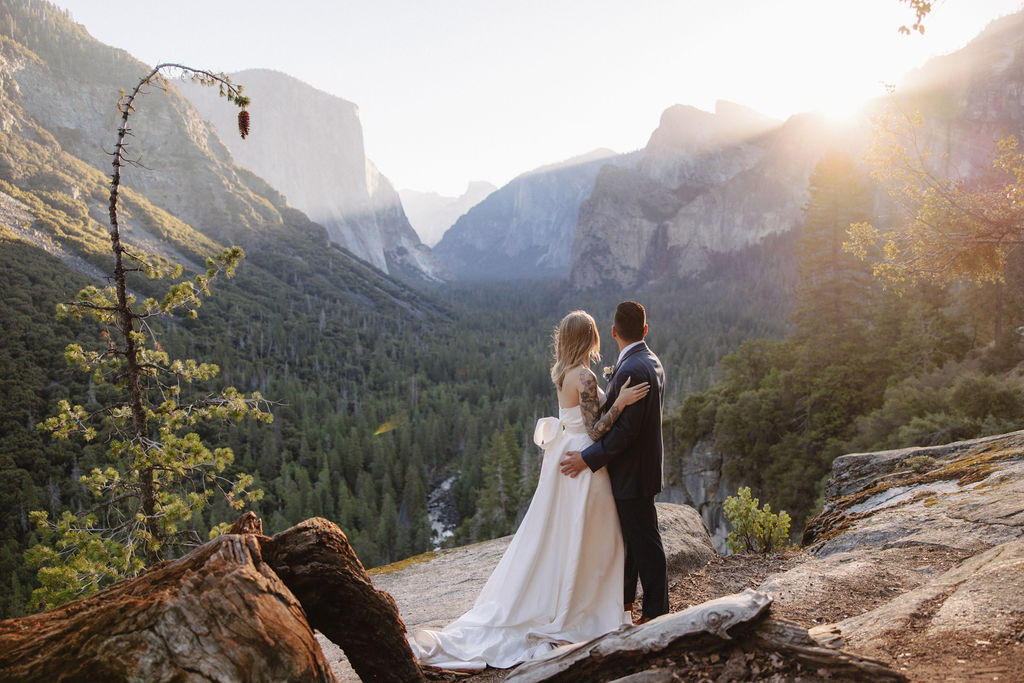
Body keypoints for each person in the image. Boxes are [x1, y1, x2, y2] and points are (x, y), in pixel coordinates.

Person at [407, 310, 649, 671]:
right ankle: (585, 604)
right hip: (583, 461)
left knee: (561, 532)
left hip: (564, 455)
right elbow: (596, 430)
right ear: (590, 338)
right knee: (594, 534)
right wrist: (621, 402)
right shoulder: (583, 375)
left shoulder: (561, 372)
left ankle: (572, 596)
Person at [559, 301, 669, 624]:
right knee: (632, 546)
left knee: (645, 547)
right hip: (638, 472)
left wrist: (586, 459)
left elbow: (626, 433)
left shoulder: (633, 368)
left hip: (631, 474)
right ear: (645, 330)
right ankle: (625, 609)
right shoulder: (649, 360)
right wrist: (617, 401)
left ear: (613, 332)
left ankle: (656, 615)